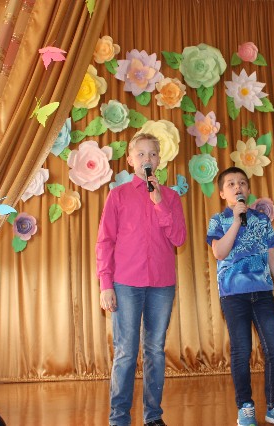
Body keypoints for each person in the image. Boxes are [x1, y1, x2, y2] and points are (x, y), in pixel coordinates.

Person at [96, 133, 186, 426]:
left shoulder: (171, 197)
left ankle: (153, 416)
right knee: (125, 351)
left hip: (162, 284)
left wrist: (159, 202)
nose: (148, 159)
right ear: (130, 160)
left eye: (153, 154)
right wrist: (105, 284)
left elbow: (179, 238)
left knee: (155, 351)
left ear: (160, 161)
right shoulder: (118, 195)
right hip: (126, 283)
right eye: (142, 154)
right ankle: (119, 418)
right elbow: (105, 241)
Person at [206, 166, 274, 426]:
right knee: (241, 350)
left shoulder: (261, 219)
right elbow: (219, 252)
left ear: (248, 189)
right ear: (222, 193)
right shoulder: (218, 220)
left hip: (263, 293)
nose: (237, 187)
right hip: (233, 295)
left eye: (242, 183)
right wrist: (237, 221)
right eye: (231, 184)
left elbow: (272, 255)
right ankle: (245, 407)